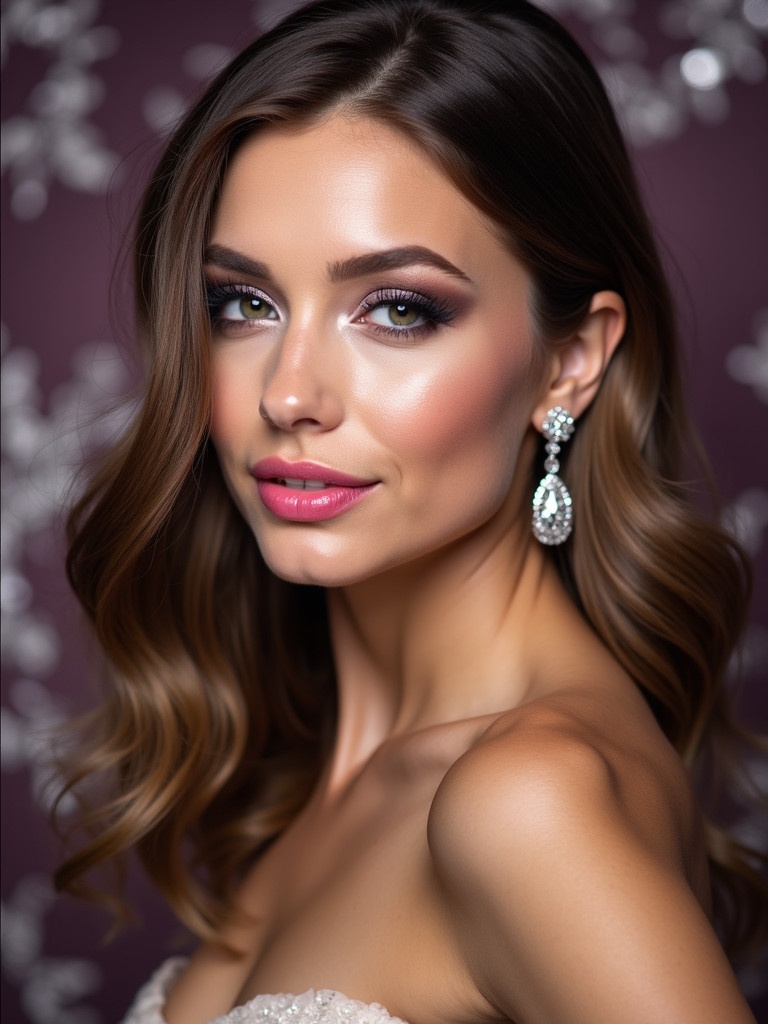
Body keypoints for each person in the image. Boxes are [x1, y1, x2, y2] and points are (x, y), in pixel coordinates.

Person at [53, 1, 766, 1021]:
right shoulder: (322, 774)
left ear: (569, 362)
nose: (288, 394)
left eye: (397, 308)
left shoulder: (527, 801)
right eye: (242, 304)